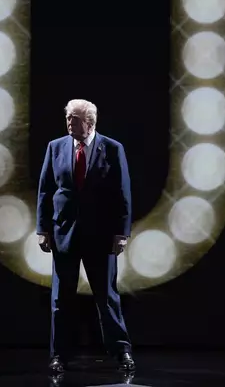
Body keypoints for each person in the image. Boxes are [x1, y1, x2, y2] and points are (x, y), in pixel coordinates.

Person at [36, 99, 135, 374]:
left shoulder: (113, 149)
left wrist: (121, 233)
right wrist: (43, 229)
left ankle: (121, 352)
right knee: (61, 300)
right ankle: (59, 356)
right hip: (64, 233)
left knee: (107, 297)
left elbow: (123, 193)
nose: (69, 123)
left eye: (75, 119)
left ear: (90, 123)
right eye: (68, 118)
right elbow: (45, 190)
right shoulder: (55, 147)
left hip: (100, 235)